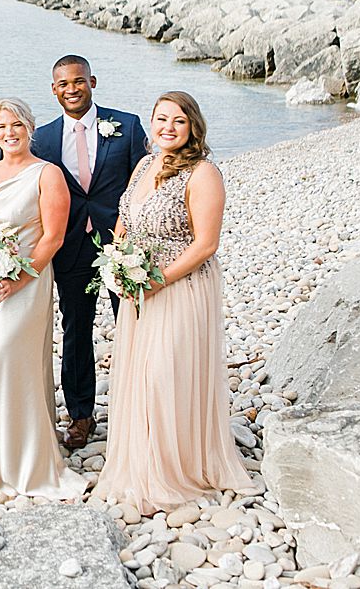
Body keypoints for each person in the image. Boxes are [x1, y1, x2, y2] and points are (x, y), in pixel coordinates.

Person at [93, 92, 253, 513]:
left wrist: (157, 281)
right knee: (139, 373)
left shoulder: (203, 174)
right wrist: (118, 265)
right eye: (161, 119)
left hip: (179, 286)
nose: (168, 127)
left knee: (168, 372)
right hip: (138, 286)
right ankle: (141, 459)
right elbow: (124, 221)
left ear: (192, 127)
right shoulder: (146, 164)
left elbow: (206, 244)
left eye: (178, 121)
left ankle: (176, 466)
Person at [0, 98, 86, 498]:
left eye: (17, 126)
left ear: (30, 129)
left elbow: (53, 237)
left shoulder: (47, 174)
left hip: (27, 285)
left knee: (9, 361)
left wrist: (17, 279)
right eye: (2, 127)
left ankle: (23, 457)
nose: (9, 133)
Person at [32, 55, 148, 449]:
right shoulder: (43, 139)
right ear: (54, 89)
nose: (71, 89)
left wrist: (130, 237)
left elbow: (144, 182)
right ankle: (81, 417)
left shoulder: (127, 126)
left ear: (92, 82)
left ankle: (139, 408)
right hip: (70, 248)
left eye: (78, 81)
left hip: (122, 245)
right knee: (76, 331)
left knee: (133, 324)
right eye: (63, 83)